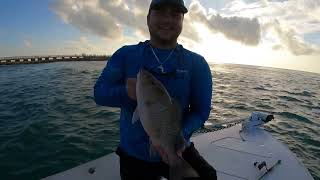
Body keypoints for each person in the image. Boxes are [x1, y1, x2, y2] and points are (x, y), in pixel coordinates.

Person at [94, 0, 217, 179]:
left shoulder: (197, 64)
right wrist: (126, 93)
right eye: (159, 12)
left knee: (209, 177)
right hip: (134, 156)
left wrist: (178, 137)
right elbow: (99, 93)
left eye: (175, 14)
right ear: (148, 17)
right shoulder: (126, 55)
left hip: (178, 147)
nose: (167, 19)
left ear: (182, 20)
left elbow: (201, 111)